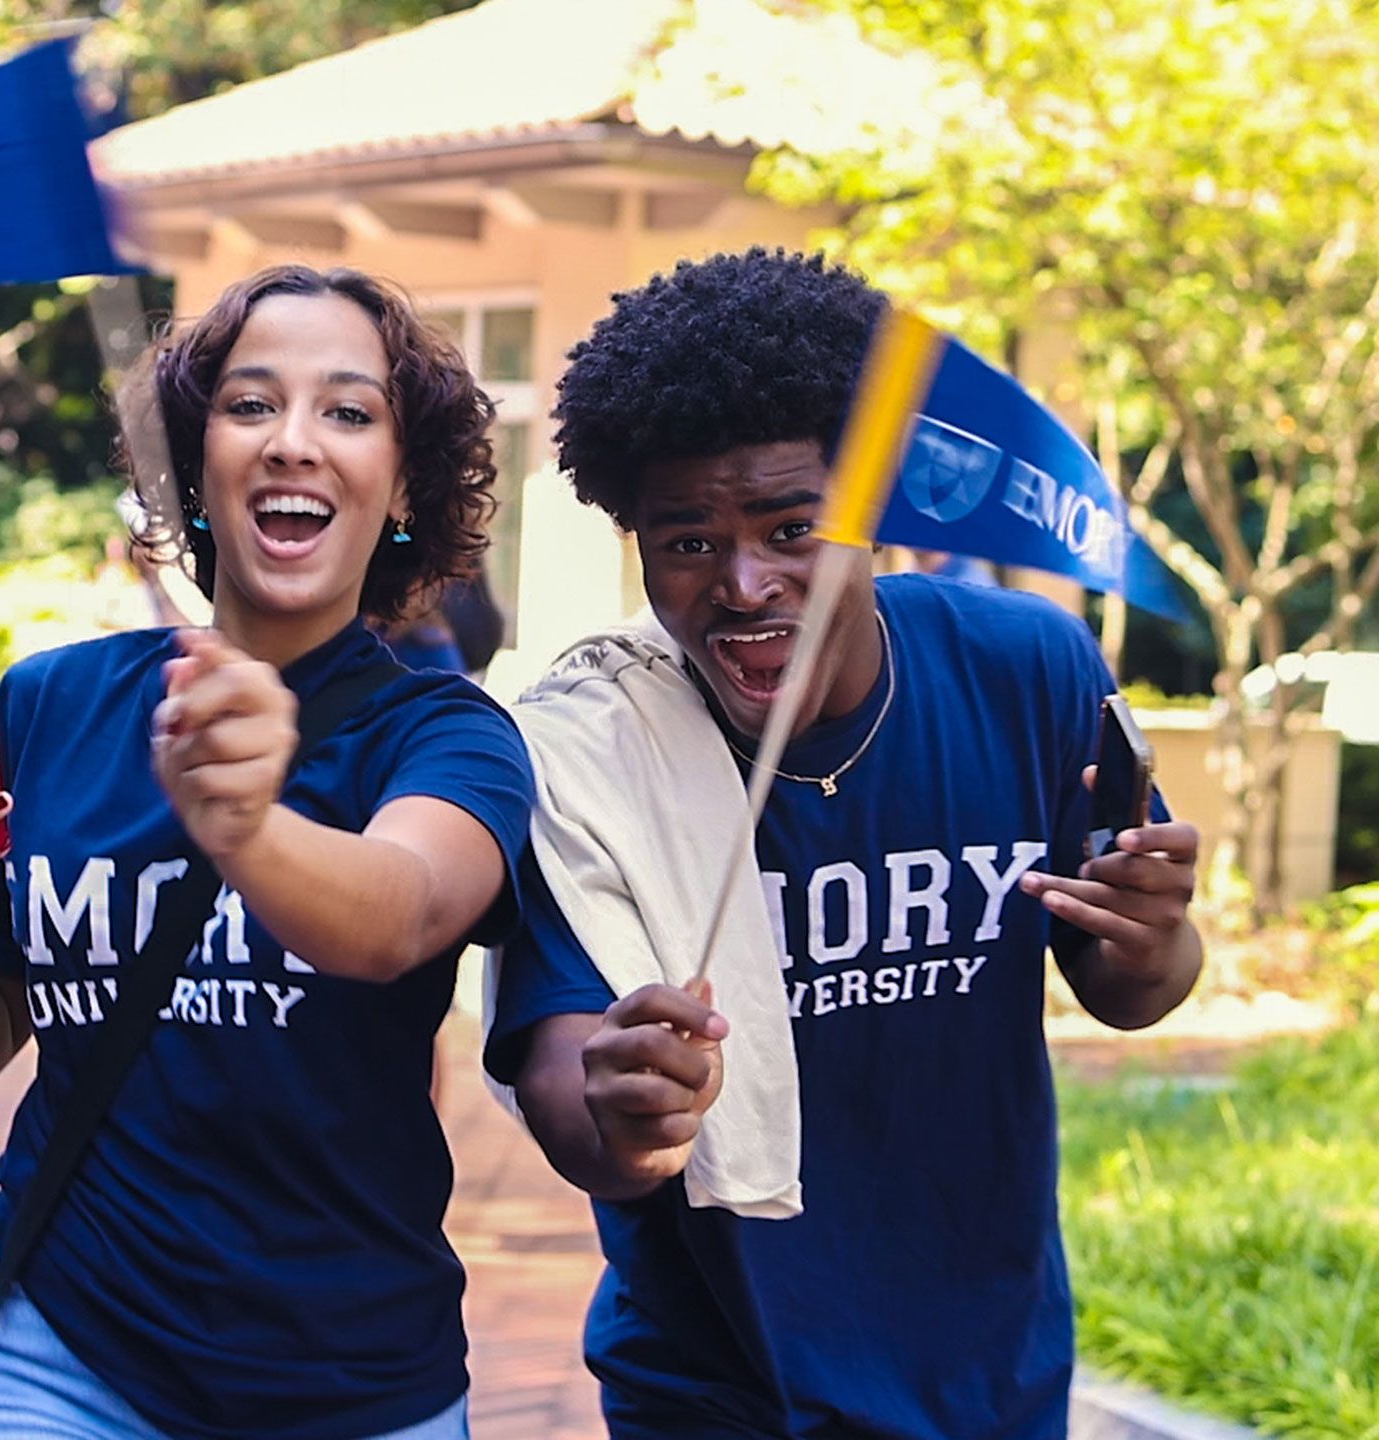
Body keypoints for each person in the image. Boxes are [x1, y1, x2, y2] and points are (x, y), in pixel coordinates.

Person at [483, 248, 1204, 1439]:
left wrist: (1153, 935)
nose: (746, 582)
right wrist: (624, 1106)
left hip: (992, 1374)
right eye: (688, 542)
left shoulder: (1029, 668)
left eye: (792, 526)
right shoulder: (589, 755)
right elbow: (577, 1102)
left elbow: (1135, 989)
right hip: (719, 1388)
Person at [0, 263, 531, 1438]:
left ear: (402, 485)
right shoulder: (51, 705)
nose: (294, 442)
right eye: (251, 403)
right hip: (64, 1346)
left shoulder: (447, 734)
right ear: (195, 464)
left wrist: (252, 830)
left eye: (349, 412)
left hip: (352, 1375)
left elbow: (402, 914)